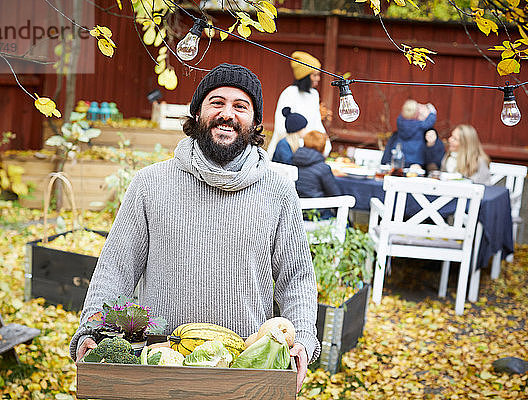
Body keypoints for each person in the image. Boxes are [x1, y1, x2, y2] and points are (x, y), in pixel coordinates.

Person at [69, 63, 320, 391]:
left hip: (247, 369)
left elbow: (297, 277)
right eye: (217, 103)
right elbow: (116, 269)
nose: (227, 114)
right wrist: (91, 331)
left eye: (240, 106)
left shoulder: (278, 190)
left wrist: (301, 338)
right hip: (158, 365)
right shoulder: (151, 184)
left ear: (256, 122)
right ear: (197, 113)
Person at [268, 51, 331, 158]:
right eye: (315, 75)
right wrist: (305, 139)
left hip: (310, 146)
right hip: (289, 147)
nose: (318, 78)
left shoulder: (314, 94)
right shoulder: (289, 93)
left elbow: (316, 122)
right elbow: (281, 126)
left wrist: (323, 138)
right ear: (305, 76)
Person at [292, 130, 343, 219]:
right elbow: (335, 195)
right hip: (315, 214)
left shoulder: (292, 160)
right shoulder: (323, 168)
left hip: (294, 213)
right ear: (323, 147)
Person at [395, 99, 437, 167]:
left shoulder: (399, 122)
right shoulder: (419, 125)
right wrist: (432, 111)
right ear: (417, 113)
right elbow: (429, 122)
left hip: (401, 157)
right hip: (416, 158)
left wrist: (411, 109)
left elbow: (404, 114)